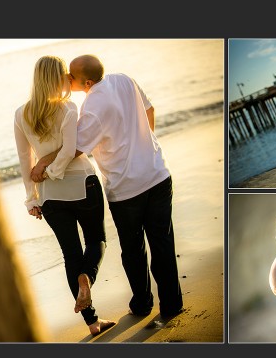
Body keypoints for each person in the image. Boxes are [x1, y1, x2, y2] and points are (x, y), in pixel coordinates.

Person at [32, 55, 184, 324]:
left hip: (127, 190)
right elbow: (149, 110)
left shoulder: (92, 107)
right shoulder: (125, 79)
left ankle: (142, 304)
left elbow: (74, 148)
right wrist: (145, 144)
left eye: (71, 76)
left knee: (133, 249)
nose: (67, 78)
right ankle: (172, 305)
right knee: (163, 243)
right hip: (158, 174)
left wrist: (43, 161)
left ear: (87, 81)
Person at [13, 56, 115, 336]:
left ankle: (92, 322)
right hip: (83, 185)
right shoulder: (68, 107)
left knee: (71, 254)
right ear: (58, 78)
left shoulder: (21, 113)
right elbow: (70, 150)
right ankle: (88, 279)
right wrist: (55, 170)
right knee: (97, 240)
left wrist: (32, 197)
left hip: (50, 197)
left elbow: (25, 159)